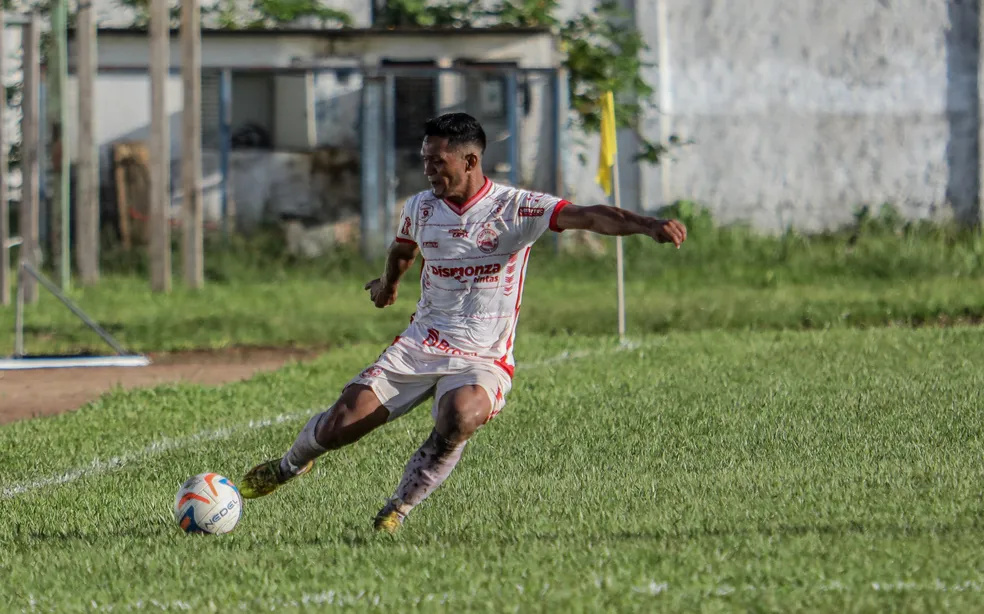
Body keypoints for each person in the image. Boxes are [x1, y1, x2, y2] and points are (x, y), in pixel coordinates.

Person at [239, 112, 687, 533]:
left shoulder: (516, 207)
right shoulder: (421, 207)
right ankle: (287, 467)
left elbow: (590, 215)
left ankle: (398, 509)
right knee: (342, 424)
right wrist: (388, 284)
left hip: (483, 356)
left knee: (460, 416)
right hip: (421, 344)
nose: (429, 171)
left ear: (470, 159)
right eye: (425, 161)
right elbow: (402, 249)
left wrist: (648, 224)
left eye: (438, 161)